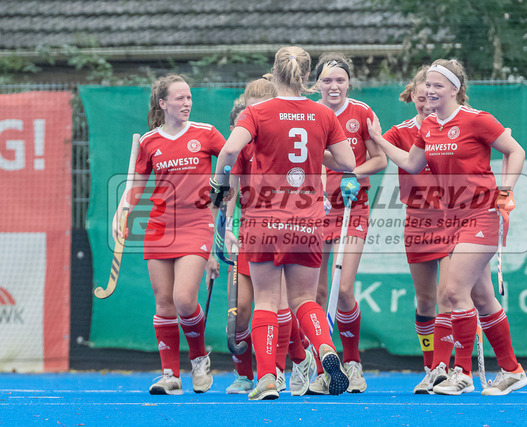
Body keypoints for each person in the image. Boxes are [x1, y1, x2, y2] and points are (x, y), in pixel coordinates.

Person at [368, 59, 527, 396]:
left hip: (482, 215)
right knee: (482, 297)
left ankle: (462, 373)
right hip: (450, 221)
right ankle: (512, 370)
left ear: (455, 89)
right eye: (427, 84)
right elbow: (412, 163)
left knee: (454, 292)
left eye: (437, 85)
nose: (430, 90)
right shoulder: (428, 126)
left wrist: (506, 190)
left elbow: (515, 151)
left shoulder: (477, 119)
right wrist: (379, 140)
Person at [210, 46, 357, 400]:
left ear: (275, 74)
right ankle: (325, 348)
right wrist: (314, 152)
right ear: (306, 77)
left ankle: (265, 379)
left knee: (265, 300)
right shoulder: (323, 114)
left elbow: (229, 150)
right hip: (307, 220)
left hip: (263, 220)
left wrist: (218, 184)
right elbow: (348, 162)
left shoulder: (257, 112)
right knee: (304, 299)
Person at [112, 74, 225, 395]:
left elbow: (233, 158)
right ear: (163, 103)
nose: (187, 103)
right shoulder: (150, 142)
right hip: (159, 227)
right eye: (180, 98)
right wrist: (122, 210)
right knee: (164, 303)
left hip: (196, 223)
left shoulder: (206, 133)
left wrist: (227, 188)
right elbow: (136, 185)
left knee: (184, 299)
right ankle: (170, 375)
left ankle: (199, 360)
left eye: (189, 97)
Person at [223, 76, 316, 396]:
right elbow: (230, 189)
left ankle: (281, 367)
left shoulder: (283, 137)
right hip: (249, 232)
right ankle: (246, 373)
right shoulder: (242, 142)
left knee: (279, 305)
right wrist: (226, 229)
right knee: (241, 309)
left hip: (281, 228)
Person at [307, 53, 387, 395]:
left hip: (353, 206)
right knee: (317, 293)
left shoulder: (362, 113)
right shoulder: (308, 113)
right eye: (327, 80)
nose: (334, 86)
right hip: (314, 208)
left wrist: (353, 173)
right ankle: (322, 367)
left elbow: (380, 159)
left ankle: (353, 363)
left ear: (349, 83)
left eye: (340, 79)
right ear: (317, 84)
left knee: (342, 289)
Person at [373, 65, 455, 394]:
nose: (427, 103)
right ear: (413, 98)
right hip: (418, 221)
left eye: (431, 97)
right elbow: (371, 152)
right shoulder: (400, 132)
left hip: (452, 220)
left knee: (448, 296)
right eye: (421, 98)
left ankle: (443, 369)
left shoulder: (455, 126)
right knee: (425, 301)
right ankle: (429, 365)